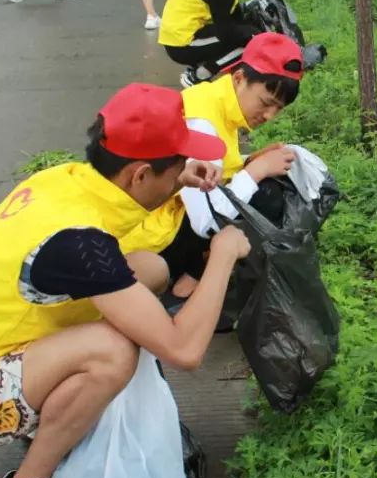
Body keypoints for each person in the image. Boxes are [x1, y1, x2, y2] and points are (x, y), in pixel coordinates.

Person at [0, 83, 250, 478]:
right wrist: (221, 255)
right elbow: (185, 351)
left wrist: (179, 178)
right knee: (114, 352)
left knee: (150, 269)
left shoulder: (63, 181)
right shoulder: (79, 243)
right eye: (177, 163)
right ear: (139, 174)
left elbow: (130, 228)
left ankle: (59, 415)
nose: (184, 169)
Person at [121, 32, 302, 310]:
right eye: (266, 103)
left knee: (263, 184)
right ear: (240, 78)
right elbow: (206, 220)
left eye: (279, 109)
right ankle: (186, 285)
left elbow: (216, 164)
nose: (268, 116)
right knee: (265, 195)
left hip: (167, 218)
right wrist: (258, 170)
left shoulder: (213, 100)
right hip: (151, 239)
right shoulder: (201, 120)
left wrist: (249, 159)